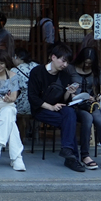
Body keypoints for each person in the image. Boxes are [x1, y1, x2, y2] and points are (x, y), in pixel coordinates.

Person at [27, 43, 84, 172]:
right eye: (63, 61)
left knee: (69, 112)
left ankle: (68, 151)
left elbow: (64, 101)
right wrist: (50, 107)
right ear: (53, 57)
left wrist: (69, 92)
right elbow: (33, 97)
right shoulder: (37, 72)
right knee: (69, 122)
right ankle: (72, 158)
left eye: (67, 62)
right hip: (41, 109)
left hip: (59, 108)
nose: (65, 65)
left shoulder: (64, 75)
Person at [67, 47, 101, 170]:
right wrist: (72, 94)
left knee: (99, 121)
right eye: (85, 62)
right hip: (76, 104)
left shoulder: (96, 71)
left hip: (91, 103)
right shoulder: (70, 69)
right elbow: (65, 87)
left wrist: (96, 97)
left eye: (89, 63)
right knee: (87, 119)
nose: (87, 65)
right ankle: (85, 155)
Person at [11, 48, 38, 116]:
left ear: (16, 56)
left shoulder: (14, 71)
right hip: (37, 102)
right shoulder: (37, 66)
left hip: (23, 102)